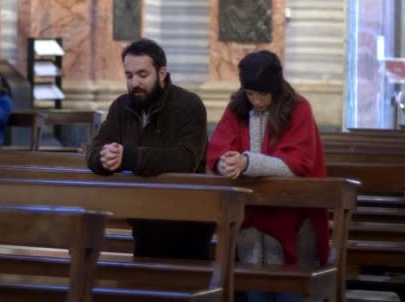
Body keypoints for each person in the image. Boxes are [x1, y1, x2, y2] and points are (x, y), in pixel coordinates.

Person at [206, 50, 328, 302]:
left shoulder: (298, 108)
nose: (256, 101)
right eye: (250, 94)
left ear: (275, 88)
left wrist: (247, 162)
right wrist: (224, 164)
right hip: (248, 219)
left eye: (262, 94)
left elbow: (297, 165)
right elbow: (218, 148)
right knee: (253, 287)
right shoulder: (238, 107)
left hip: (292, 215)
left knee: (289, 291)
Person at [86, 38, 213, 259]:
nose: (135, 82)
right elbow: (96, 148)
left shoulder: (189, 105)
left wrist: (129, 157)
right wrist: (104, 158)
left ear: (161, 73)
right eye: (129, 75)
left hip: (187, 222)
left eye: (142, 75)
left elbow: (185, 160)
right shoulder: (121, 106)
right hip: (141, 218)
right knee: (141, 288)